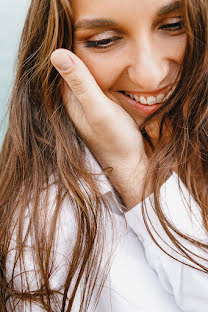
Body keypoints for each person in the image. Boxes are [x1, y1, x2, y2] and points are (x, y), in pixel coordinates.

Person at [0, 0, 207, 311]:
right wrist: (130, 168)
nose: (151, 75)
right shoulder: (48, 231)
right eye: (104, 41)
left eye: (173, 26)